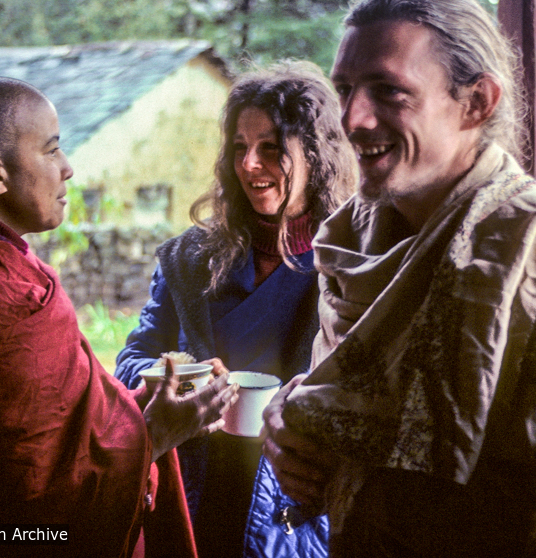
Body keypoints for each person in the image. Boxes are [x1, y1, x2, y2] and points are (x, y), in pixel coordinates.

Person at [0, 76, 237, 558]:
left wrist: (134, 409)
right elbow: (29, 504)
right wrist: (155, 434)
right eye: (51, 151)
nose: (67, 169)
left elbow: (38, 433)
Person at [261, 0, 536, 557]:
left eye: (389, 91)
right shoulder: (350, 244)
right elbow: (337, 393)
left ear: (477, 102)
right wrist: (287, 420)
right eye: (346, 89)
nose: (352, 119)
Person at [114, 61, 356, 558]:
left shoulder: (353, 263)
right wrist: (183, 378)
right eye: (240, 148)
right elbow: (132, 360)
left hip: (294, 502)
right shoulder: (189, 260)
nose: (249, 164)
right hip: (194, 489)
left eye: (271, 148)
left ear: (316, 153)